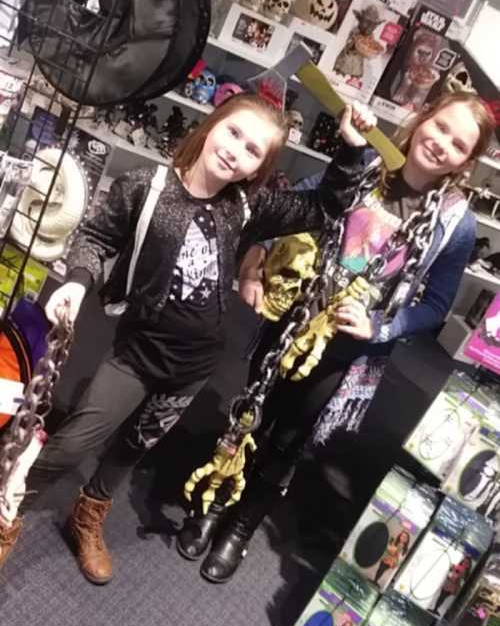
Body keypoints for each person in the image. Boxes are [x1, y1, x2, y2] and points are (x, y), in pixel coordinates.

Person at [0, 92, 361, 584]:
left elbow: (325, 208)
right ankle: (6, 513)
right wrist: (77, 282)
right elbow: (97, 237)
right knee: (75, 439)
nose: (237, 151)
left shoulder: (246, 207)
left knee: (135, 444)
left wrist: (351, 149)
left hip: (194, 366)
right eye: (234, 132)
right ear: (214, 124)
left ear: (258, 168)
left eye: (253, 151)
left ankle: (87, 516)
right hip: (137, 354)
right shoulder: (144, 187)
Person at [176, 91, 494, 583]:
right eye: (441, 127)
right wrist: (257, 253)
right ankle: (214, 504)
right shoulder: (366, 163)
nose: (441, 144)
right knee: (252, 413)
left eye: (458, 144)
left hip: (348, 345)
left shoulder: (456, 225)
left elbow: (434, 307)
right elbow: (296, 203)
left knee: (289, 438)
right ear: (423, 118)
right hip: (296, 315)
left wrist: (382, 327)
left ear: (467, 162)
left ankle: (240, 526)